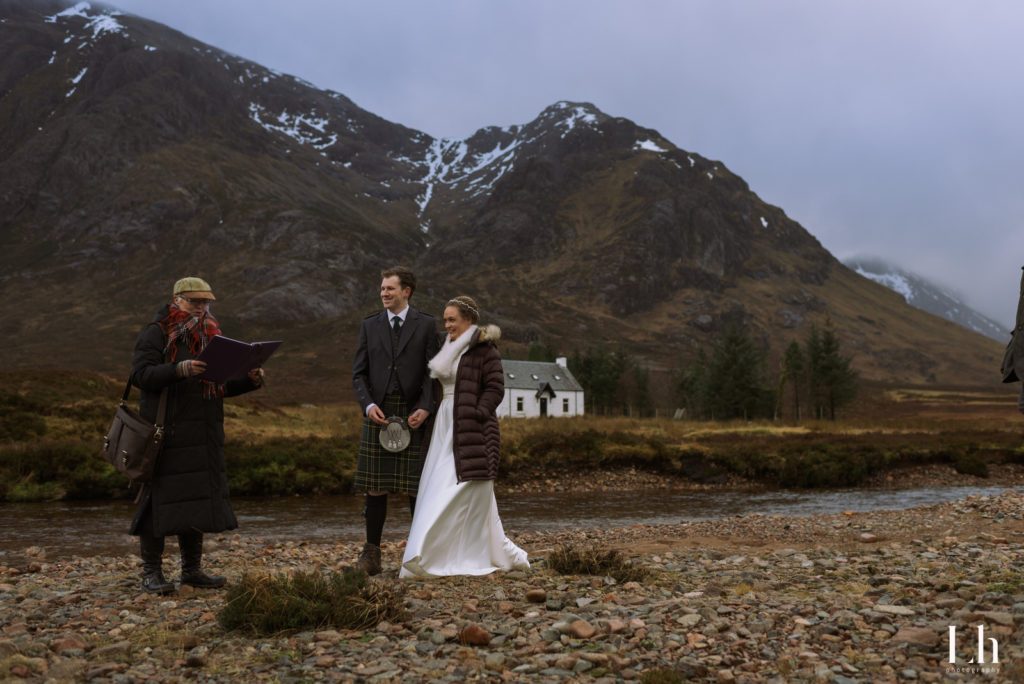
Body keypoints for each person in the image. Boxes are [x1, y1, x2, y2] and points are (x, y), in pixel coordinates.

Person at [130, 277, 264, 594]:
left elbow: (220, 386)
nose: (201, 308)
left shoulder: (211, 334)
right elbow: (140, 375)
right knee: (156, 502)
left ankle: (192, 571)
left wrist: (250, 380)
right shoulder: (157, 331)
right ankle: (151, 573)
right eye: (194, 302)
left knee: (196, 501)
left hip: (203, 432)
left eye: (205, 303)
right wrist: (180, 369)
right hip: (166, 431)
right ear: (176, 300)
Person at [400, 296, 529, 578]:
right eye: (445, 320)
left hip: (472, 426)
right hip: (443, 425)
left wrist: (478, 412)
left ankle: (447, 554)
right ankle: (431, 553)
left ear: (468, 320)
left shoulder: (485, 351)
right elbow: (432, 388)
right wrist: (423, 411)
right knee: (435, 487)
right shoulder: (444, 349)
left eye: (452, 320)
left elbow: (495, 388)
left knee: (459, 488)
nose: (447, 326)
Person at [351, 266, 439, 575]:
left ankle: (417, 556)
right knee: (375, 486)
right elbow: (358, 373)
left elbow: (433, 372)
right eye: (382, 289)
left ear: (406, 291)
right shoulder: (370, 325)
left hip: (414, 412)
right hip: (380, 414)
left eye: (390, 288)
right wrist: (368, 404)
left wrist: (427, 407)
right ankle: (371, 556)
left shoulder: (427, 325)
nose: (384, 293)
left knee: (416, 487)